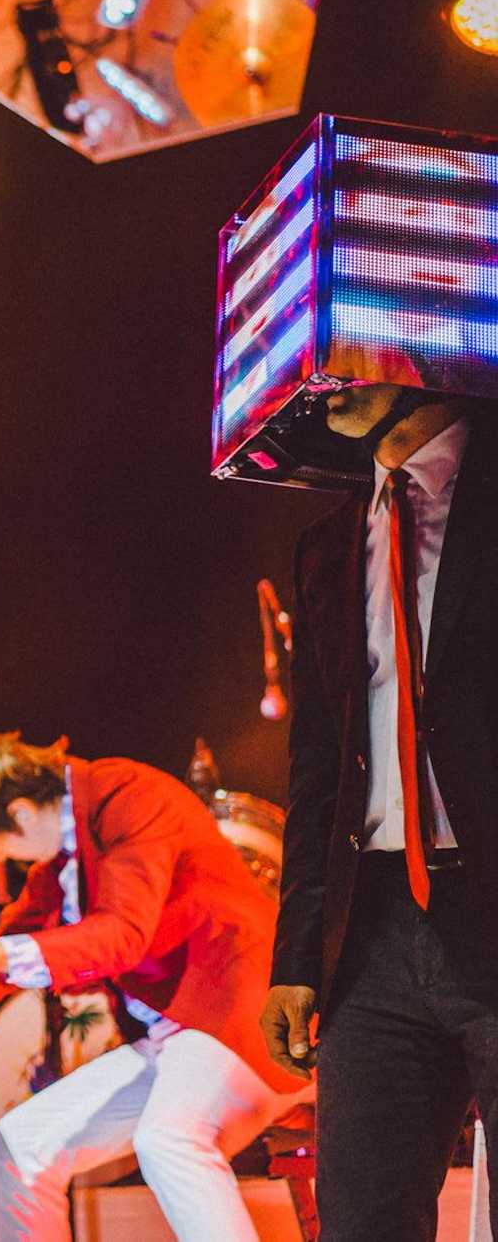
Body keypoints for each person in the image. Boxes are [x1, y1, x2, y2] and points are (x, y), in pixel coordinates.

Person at [260, 384, 498, 1239]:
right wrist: (297, 956)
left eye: (344, 344)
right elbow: (316, 768)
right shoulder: (327, 543)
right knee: (361, 1222)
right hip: (374, 932)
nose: (323, 370)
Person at [0, 731, 304, 1241]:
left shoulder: (127, 795)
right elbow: (7, 948)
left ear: (21, 815)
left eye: (1, 850)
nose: (10, 864)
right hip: (180, 1042)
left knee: (170, 1140)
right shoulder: (64, 862)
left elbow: (121, 935)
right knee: (17, 1151)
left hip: (248, 1021)